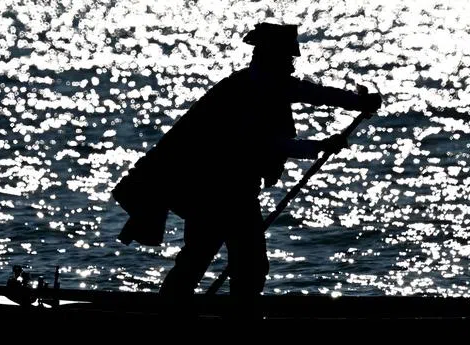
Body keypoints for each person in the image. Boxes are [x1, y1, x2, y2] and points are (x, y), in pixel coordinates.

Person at [113, 22, 381, 299]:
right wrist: (321, 145)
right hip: (217, 194)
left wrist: (358, 103)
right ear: (270, 58)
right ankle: (192, 320)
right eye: (287, 59)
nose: (291, 67)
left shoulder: (265, 84)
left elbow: (313, 94)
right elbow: (265, 143)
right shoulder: (243, 92)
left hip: (234, 193)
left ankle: (210, 319)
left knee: (225, 263)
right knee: (224, 263)